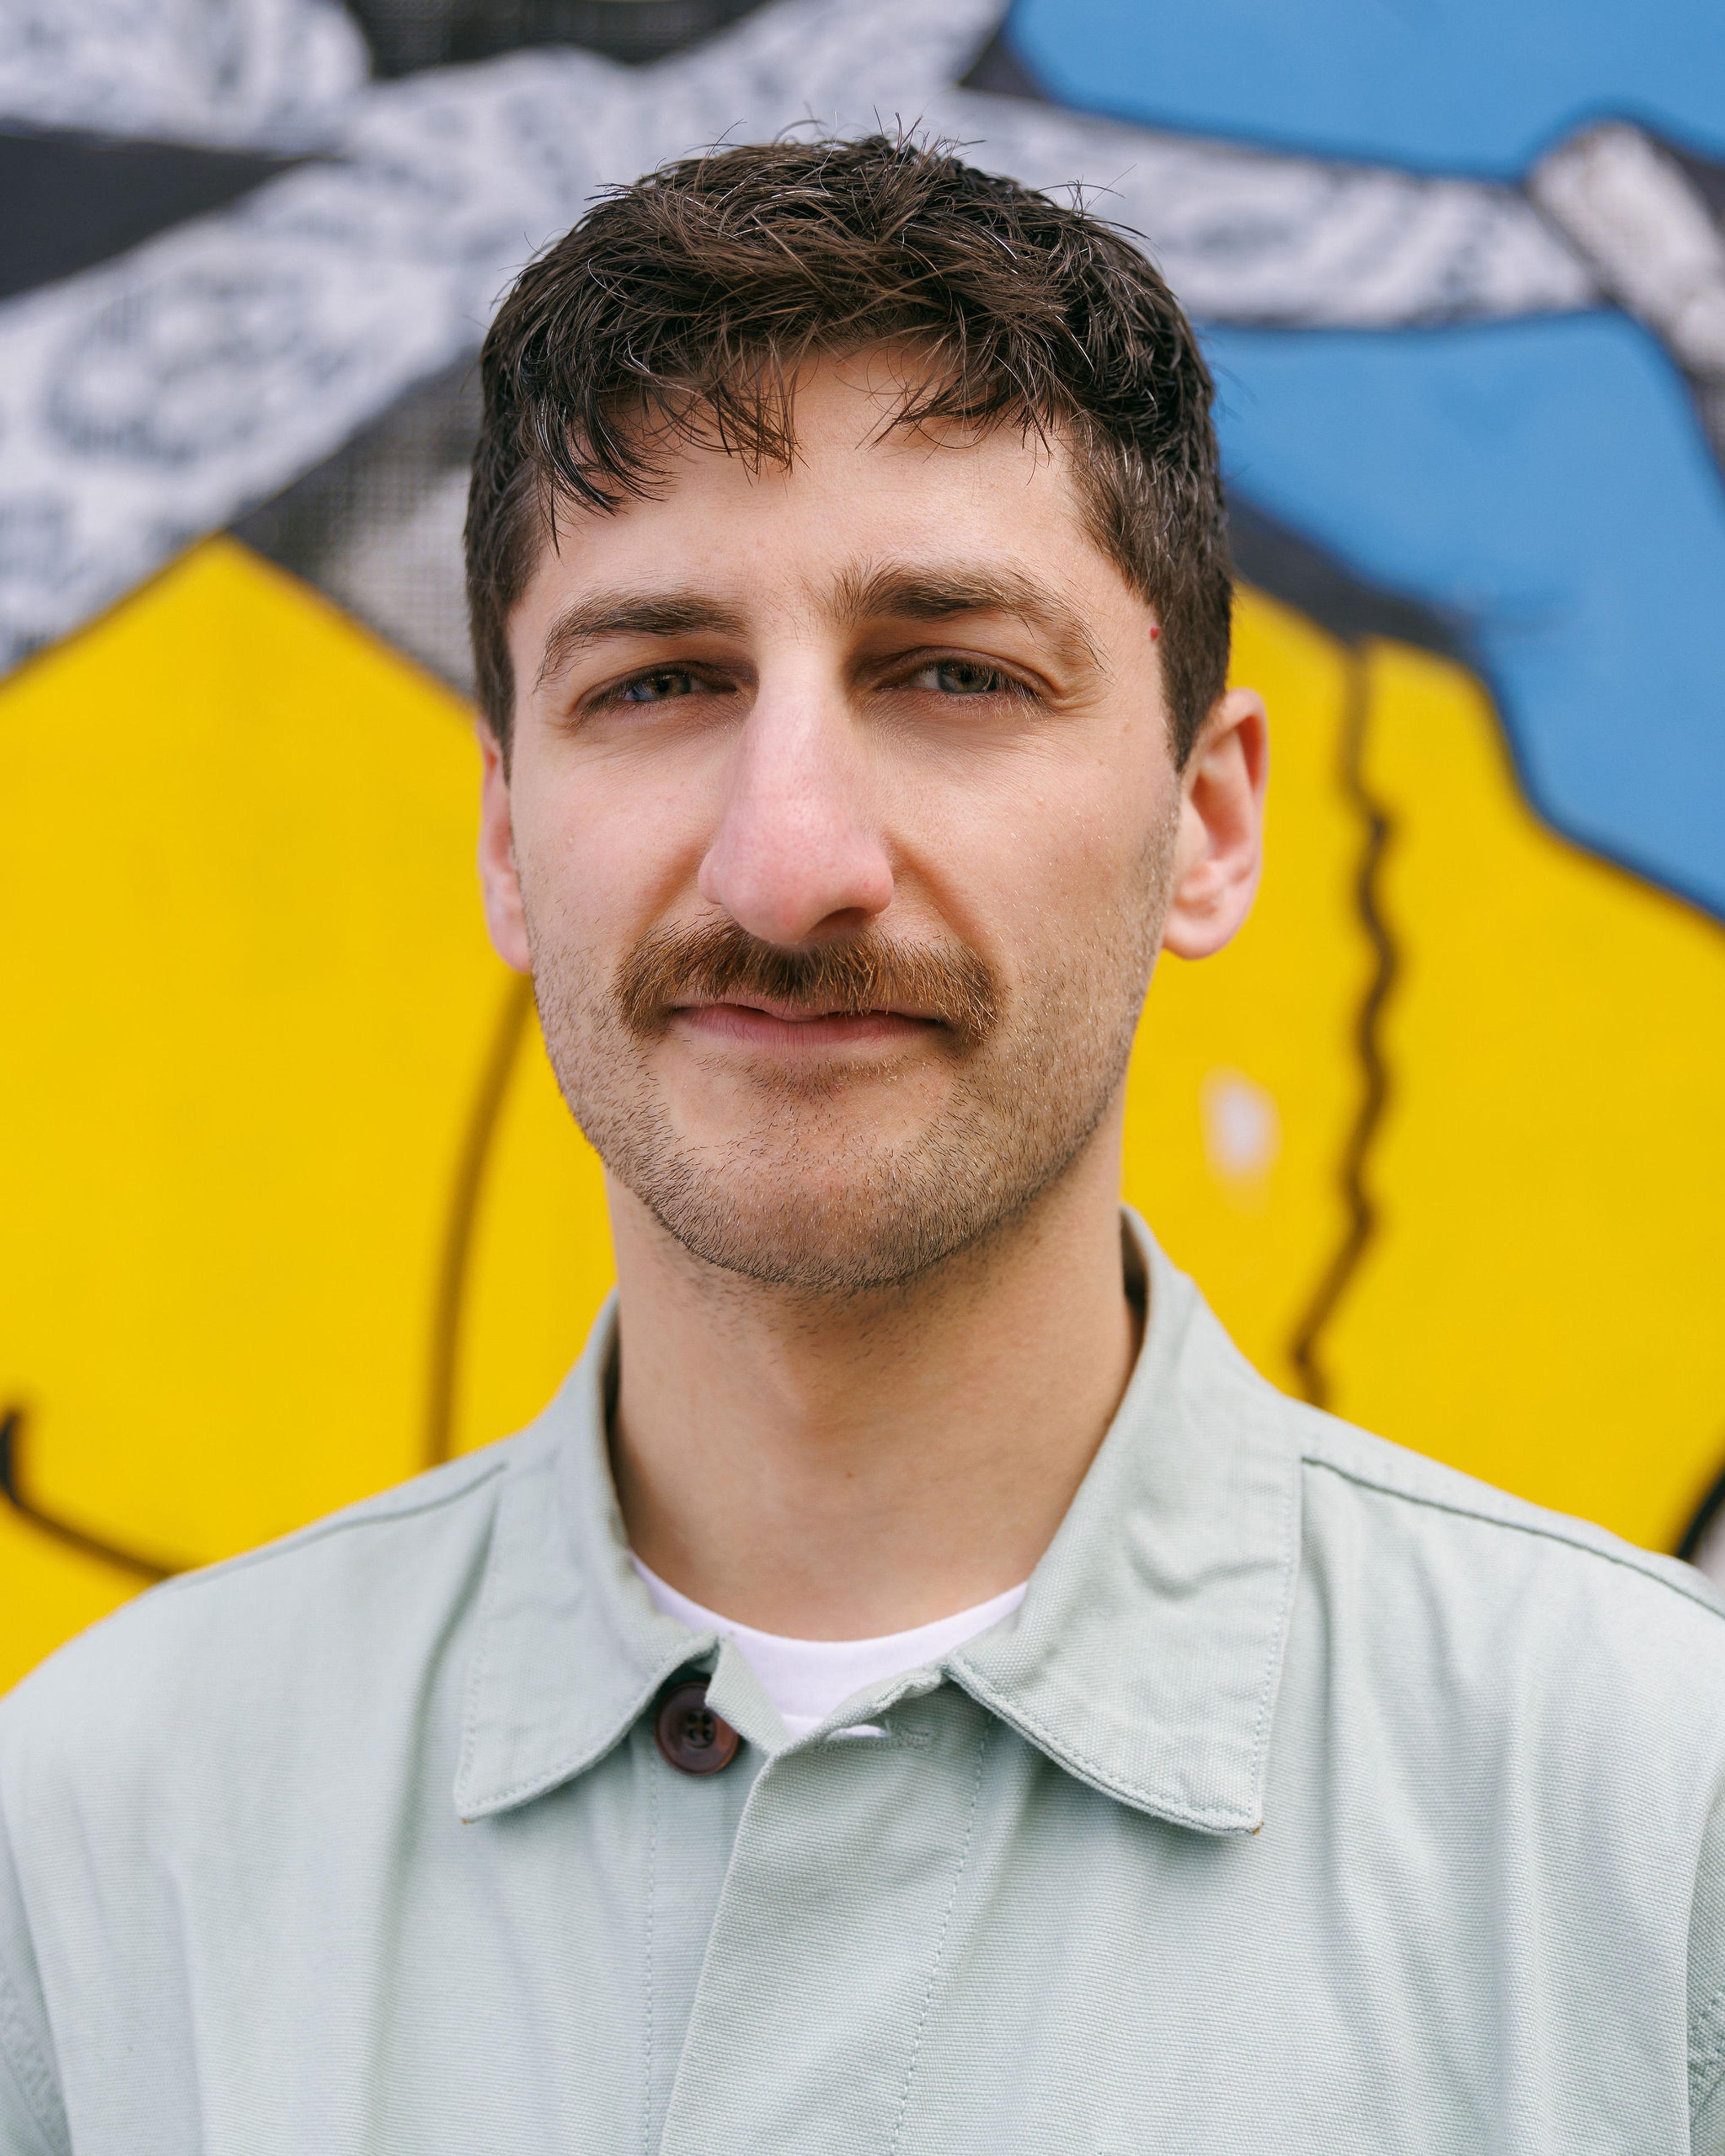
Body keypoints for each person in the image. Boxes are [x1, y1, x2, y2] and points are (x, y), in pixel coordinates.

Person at [2, 133, 1723, 2156]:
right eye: (661, 681)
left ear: (1215, 821)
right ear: (501, 841)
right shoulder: (106, 1845)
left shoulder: (1655, 1817)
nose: (791, 858)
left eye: (951, 674)